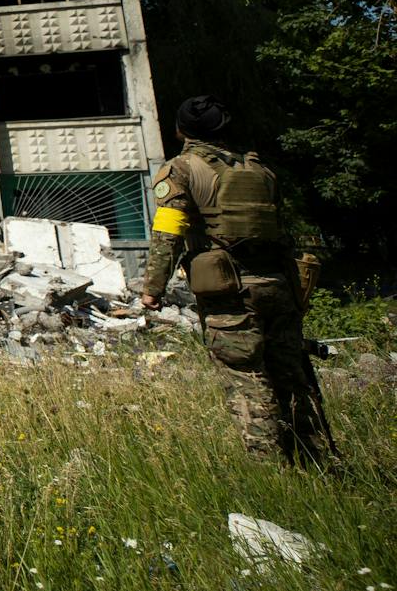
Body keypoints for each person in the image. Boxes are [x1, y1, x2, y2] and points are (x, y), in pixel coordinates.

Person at [140, 95, 330, 465]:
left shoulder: (182, 169)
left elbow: (169, 233)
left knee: (247, 379)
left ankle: (270, 473)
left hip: (229, 292)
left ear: (181, 130)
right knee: (293, 376)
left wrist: (152, 289)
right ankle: (318, 460)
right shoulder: (257, 169)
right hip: (278, 286)